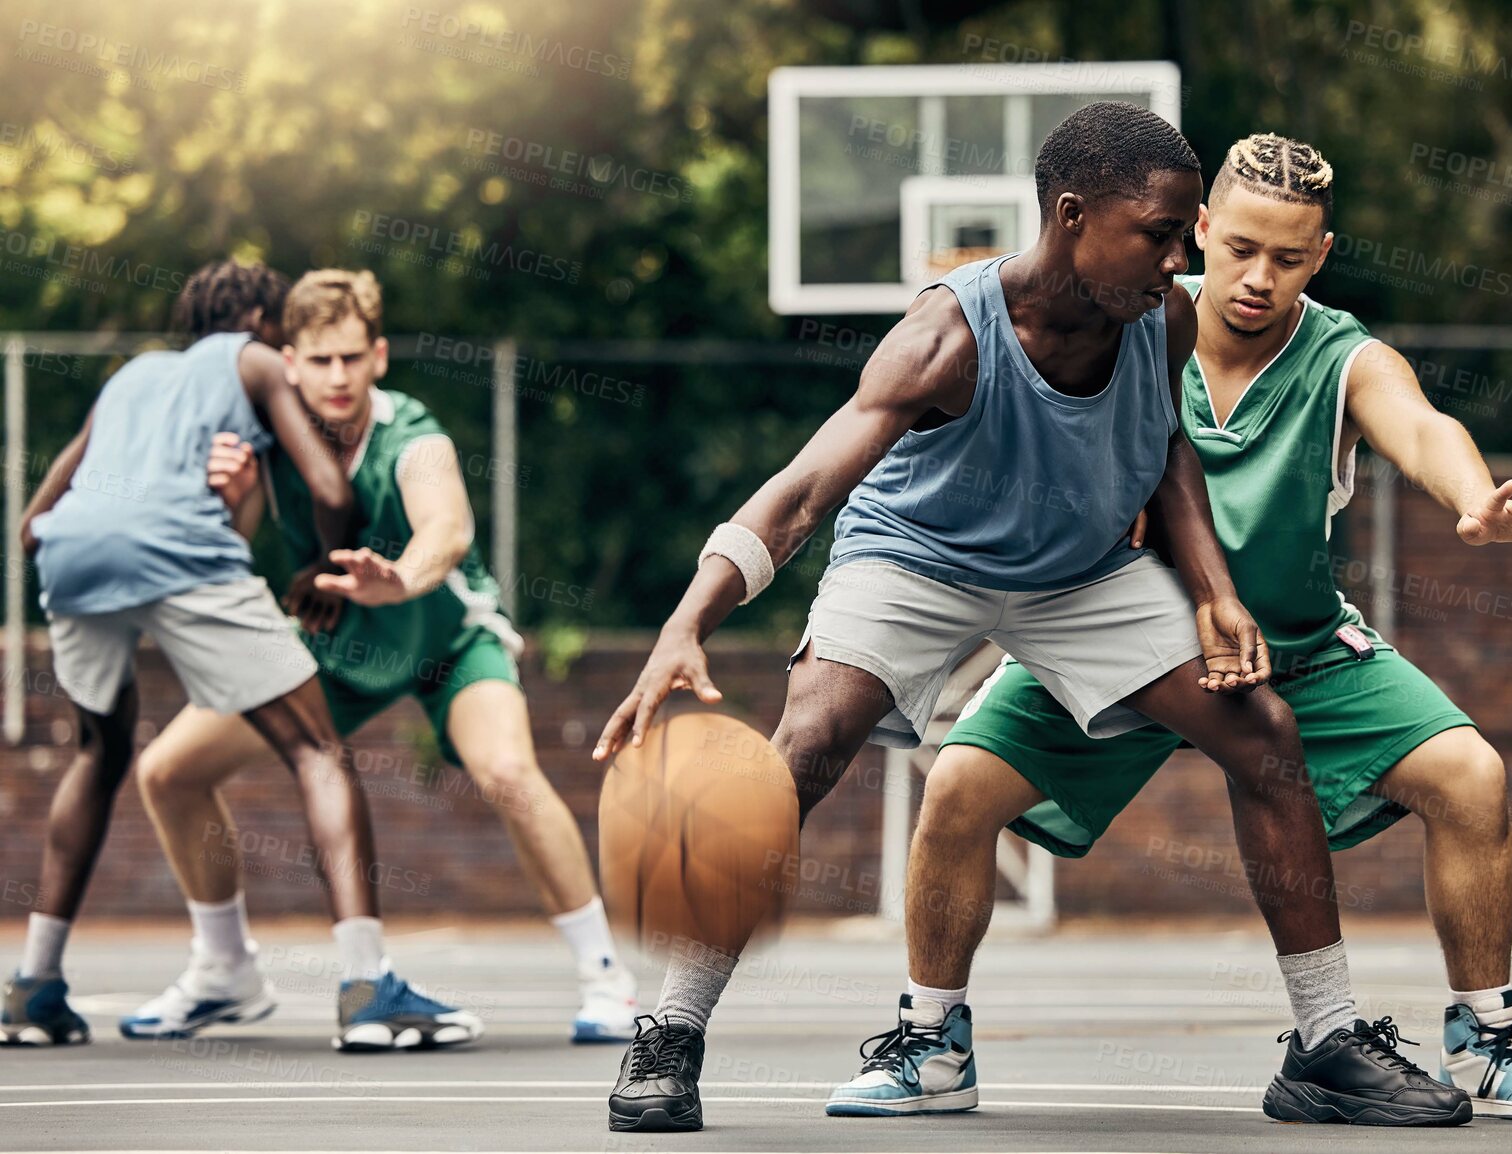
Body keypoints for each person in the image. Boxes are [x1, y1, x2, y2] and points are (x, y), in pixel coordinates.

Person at [596, 104, 1464, 1132]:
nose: (1179, 258)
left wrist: (1214, 587)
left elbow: (1166, 447)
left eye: (1186, 234)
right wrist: (683, 623)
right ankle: (671, 1031)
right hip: (920, 555)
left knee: (1264, 731)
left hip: (1080, 570)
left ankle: (1324, 1043)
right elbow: (797, 496)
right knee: (808, 743)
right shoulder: (945, 338)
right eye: (1160, 233)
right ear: (1070, 213)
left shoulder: (1160, 317)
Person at [866, 133, 1512, 1123]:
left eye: (1288, 258)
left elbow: (1418, 423)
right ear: (1200, 228)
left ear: (1321, 255)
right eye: (1242, 247)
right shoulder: (1128, 325)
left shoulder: (1343, 355)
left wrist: (1472, 496)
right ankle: (931, 1040)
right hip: (1119, 641)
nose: (1258, 277)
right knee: (955, 790)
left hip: (1293, 649)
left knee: (1472, 777)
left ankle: (1489, 1037)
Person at [121, 269, 637, 1048]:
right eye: (319, 360)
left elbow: (448, 530)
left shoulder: (413, 434)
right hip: (334, 651)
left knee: (506, 771)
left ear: (379, 357)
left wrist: (400, 578)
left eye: (351, 358)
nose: (337, 376)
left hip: (447, 642)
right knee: (166, 771)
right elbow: (227, 546)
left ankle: (607, 981)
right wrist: (224, 501)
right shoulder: (267, 441)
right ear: (287, 361)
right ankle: (223, 973)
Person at [0, 260, 462, 1050]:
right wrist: (322, 567)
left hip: (72, 557)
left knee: (99, 756)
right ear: (256, 322)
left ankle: (33, 988)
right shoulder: (247, 357)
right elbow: (328, 485)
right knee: (318, 750)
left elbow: (37, 513)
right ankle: (365, 988)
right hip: (177, 553)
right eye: (283, 331)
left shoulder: (137, 375)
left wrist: (73, 536)